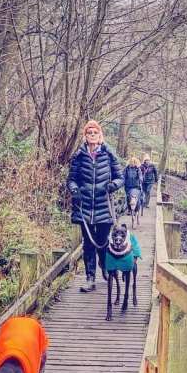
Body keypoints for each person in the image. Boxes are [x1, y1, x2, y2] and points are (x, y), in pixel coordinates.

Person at [67, 120, 123, 292]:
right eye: (89, 133)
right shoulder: (79, 156)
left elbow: (120, 177)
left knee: (102, 241)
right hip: (84, 207)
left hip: (104, 205)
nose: (92, 135)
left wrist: (113, 185)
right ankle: (90, 278)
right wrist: (74, 190)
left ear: (100, 135)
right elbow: (71, 180)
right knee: (88, 244)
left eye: (95, 132)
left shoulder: (108, 154)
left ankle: (104, 266)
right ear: (85, 136)